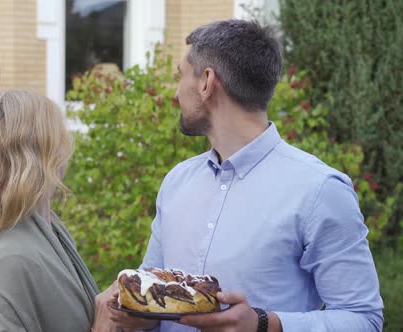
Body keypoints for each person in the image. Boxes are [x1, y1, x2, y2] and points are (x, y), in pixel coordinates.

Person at [106, 20, 383, 332]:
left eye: (179, 77)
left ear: (206, 82)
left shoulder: (319, 190)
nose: (175, 93)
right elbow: (150, 290)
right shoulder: (176, 182)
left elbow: (363, 318)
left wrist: (265, 324)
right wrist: (136, 316)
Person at [0, 90, 117, 332]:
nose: (67, 150)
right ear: (42, 155)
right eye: (60, 138)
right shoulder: (3, 262)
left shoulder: (48, 231)